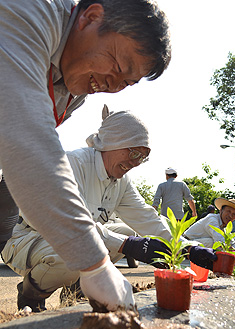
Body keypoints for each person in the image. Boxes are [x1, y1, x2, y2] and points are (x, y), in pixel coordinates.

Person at [0, 0, 172, 311]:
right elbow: (29, 140)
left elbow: (145, 218)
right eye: (119, 68)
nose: (113, 85)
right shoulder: (31, 13)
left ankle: (74, 294)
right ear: (91, 17)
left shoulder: (73, 92)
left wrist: (184, 248)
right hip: (32, 234)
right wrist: (96, 265)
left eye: (126, 83)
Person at [2, 107, 217, 311]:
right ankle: (30, 295)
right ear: (114, 141)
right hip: (27, 236)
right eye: (134, 153)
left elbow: (147, 218)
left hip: (74, 239)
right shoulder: (71, 164)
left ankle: (78, 292)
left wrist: (187, 247)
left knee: (125, 233)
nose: (136, 162)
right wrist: (128, 245)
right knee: (71, 256)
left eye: (143, 158)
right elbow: (73, 225)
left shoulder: (121, 181)